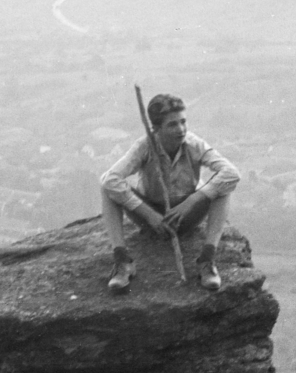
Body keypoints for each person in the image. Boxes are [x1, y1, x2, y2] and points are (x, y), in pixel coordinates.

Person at [100, 93, 241, 293]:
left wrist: (192, 200)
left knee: (223, 187)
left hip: (186, 215)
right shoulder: (144, 146)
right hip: (151, 216)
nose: (181, 129)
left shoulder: (194, 144)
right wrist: (150, 215)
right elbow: (111, 180)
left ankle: (207, 261)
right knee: (107, 187)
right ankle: (123, 262)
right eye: (172, 125)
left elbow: (231, 173)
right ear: (156, 129)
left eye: (183, 122)